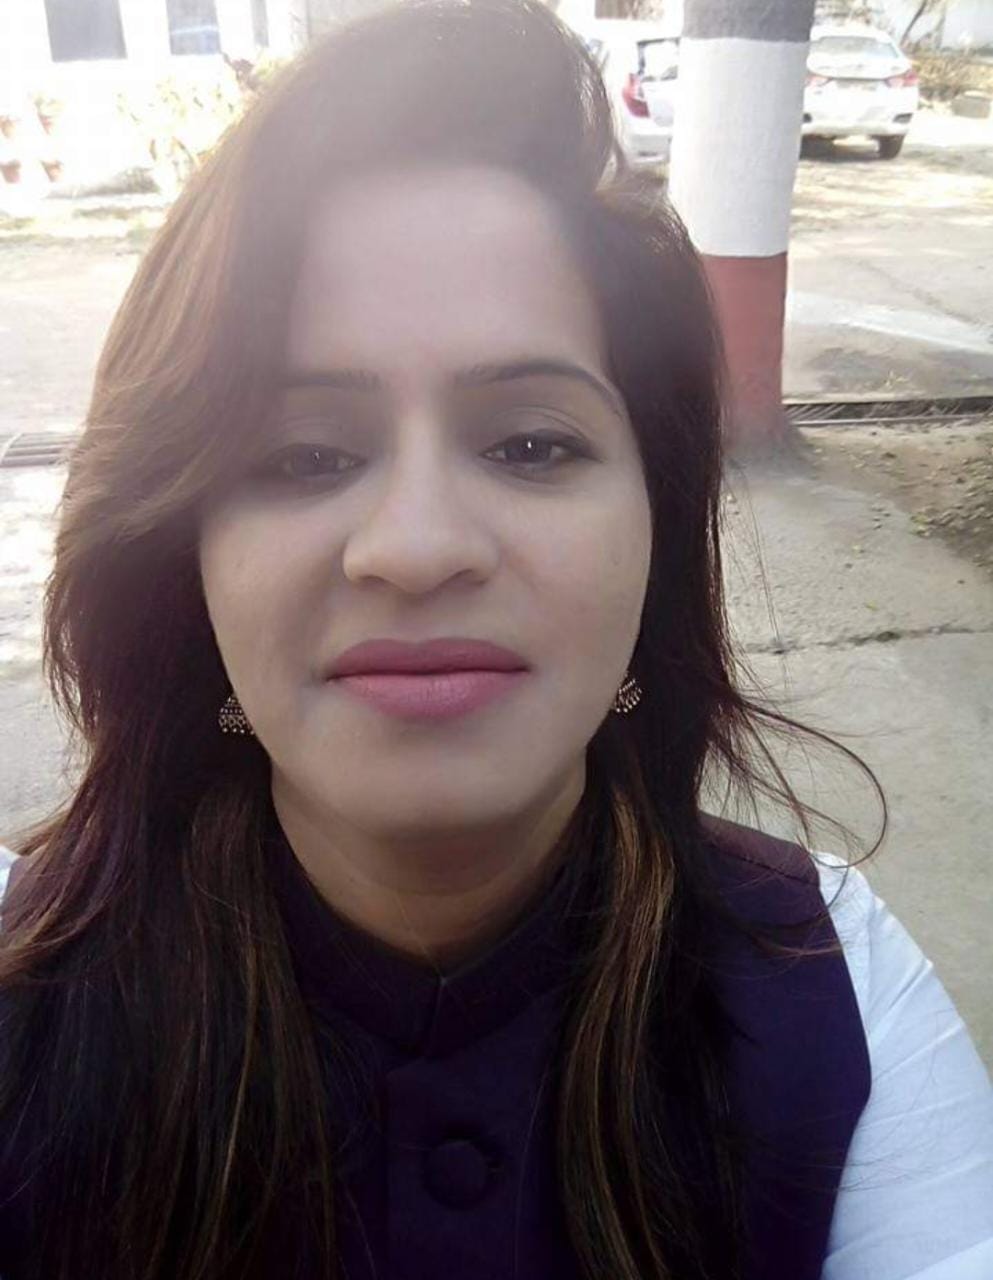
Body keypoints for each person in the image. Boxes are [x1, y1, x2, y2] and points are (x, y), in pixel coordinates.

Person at [0, 1, 990, 1277]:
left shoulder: (834, 990)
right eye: (304, 455)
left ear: (656, 529)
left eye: (531, 443)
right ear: (180, 554)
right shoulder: (28, 990)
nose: (417, 547)